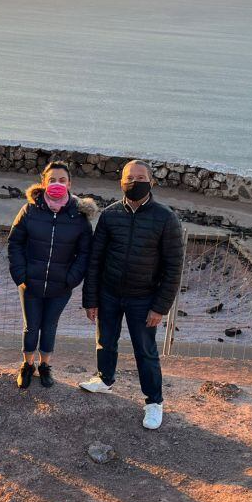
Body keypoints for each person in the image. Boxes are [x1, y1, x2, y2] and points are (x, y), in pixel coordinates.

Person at [80, 160, 185, 431]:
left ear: (151, 182)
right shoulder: (110, 215)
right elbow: (95, 259)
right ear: (121, 182)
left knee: (146, 351)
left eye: (140, 177)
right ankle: (105, 379)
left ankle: (154, 402)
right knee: (105, 341)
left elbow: (173, 267)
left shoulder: (165, 218)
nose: (134, 182)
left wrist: (160, 307)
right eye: (130, 177)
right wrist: (90, 299)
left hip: (144, 298)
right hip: (109, 293)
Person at [7, 161, 96, 389]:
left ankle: (45, 367)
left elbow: (85, 252)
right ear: (44, 182)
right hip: (31, 284)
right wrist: (21, 274)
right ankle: (27, 366)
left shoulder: (79, 215)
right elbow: (15, 242)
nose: (57, 183)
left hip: (61, 286)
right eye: (52, 179)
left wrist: (71, 279)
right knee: (31, 326)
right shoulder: (30, 209)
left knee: (49, 326)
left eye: (62, 180)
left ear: (69, 184)